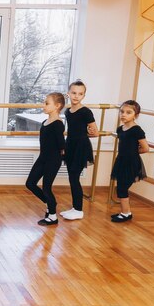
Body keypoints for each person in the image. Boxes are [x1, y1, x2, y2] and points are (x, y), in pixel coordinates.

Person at [25, 92, 66, 226]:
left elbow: (61, 145)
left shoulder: (58, 124)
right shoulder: (45, 122)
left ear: (57, 106)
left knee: (47, 187)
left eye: (47, 103)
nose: (44, 105)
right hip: (43, 158)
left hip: (53, 160)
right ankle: (51, 203)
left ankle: (52, 216)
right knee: (30, 183)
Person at [61, 80, 98, 221]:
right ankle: (75, 207)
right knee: (72, 177)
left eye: (80, 94)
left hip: (80, 147)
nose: (76, 96)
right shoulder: (68, 111)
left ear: (84, 95)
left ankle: (79, 210)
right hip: (70, 145)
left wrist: (82, 135)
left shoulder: (86, 112)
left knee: (74, 178)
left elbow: (95, 133)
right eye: (74, 93)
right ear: (68, 94)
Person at [110, 100, 149, 223]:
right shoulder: (120, 129)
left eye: (128, 112)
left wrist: (133, 153)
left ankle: (126, 213)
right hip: (121, 161)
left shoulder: (137, 130)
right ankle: (124, 212)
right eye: (122, 112)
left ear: (135, 115)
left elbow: (145, 148)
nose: (124, 115)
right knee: (120, 187)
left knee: (122, 188)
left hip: (131, 163)